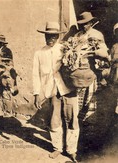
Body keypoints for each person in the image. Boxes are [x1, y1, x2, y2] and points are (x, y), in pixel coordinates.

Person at [32, 22, 79, 162]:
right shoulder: (39, 53)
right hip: (51, 89)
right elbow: (35, 74)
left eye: (53, 36)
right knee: (54, 118)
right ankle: (57, 148)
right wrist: (36, 94)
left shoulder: (65, 49)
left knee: (72, 118)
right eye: (48, 36)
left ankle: (71, 150)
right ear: (45, 36)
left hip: (68, 88)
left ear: (58, 36)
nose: (50, 39)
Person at [74, 12, 110, 116]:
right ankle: (78, 123)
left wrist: (93, 52)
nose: (83, 26)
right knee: (78, 101)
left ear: (91, 23)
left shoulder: (96, 34)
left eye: (86, 23)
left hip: (92, 70)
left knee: (90, 101)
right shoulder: (77, 35)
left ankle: (87, 126)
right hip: (79, 72)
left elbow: (104, 53)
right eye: (82, 24)